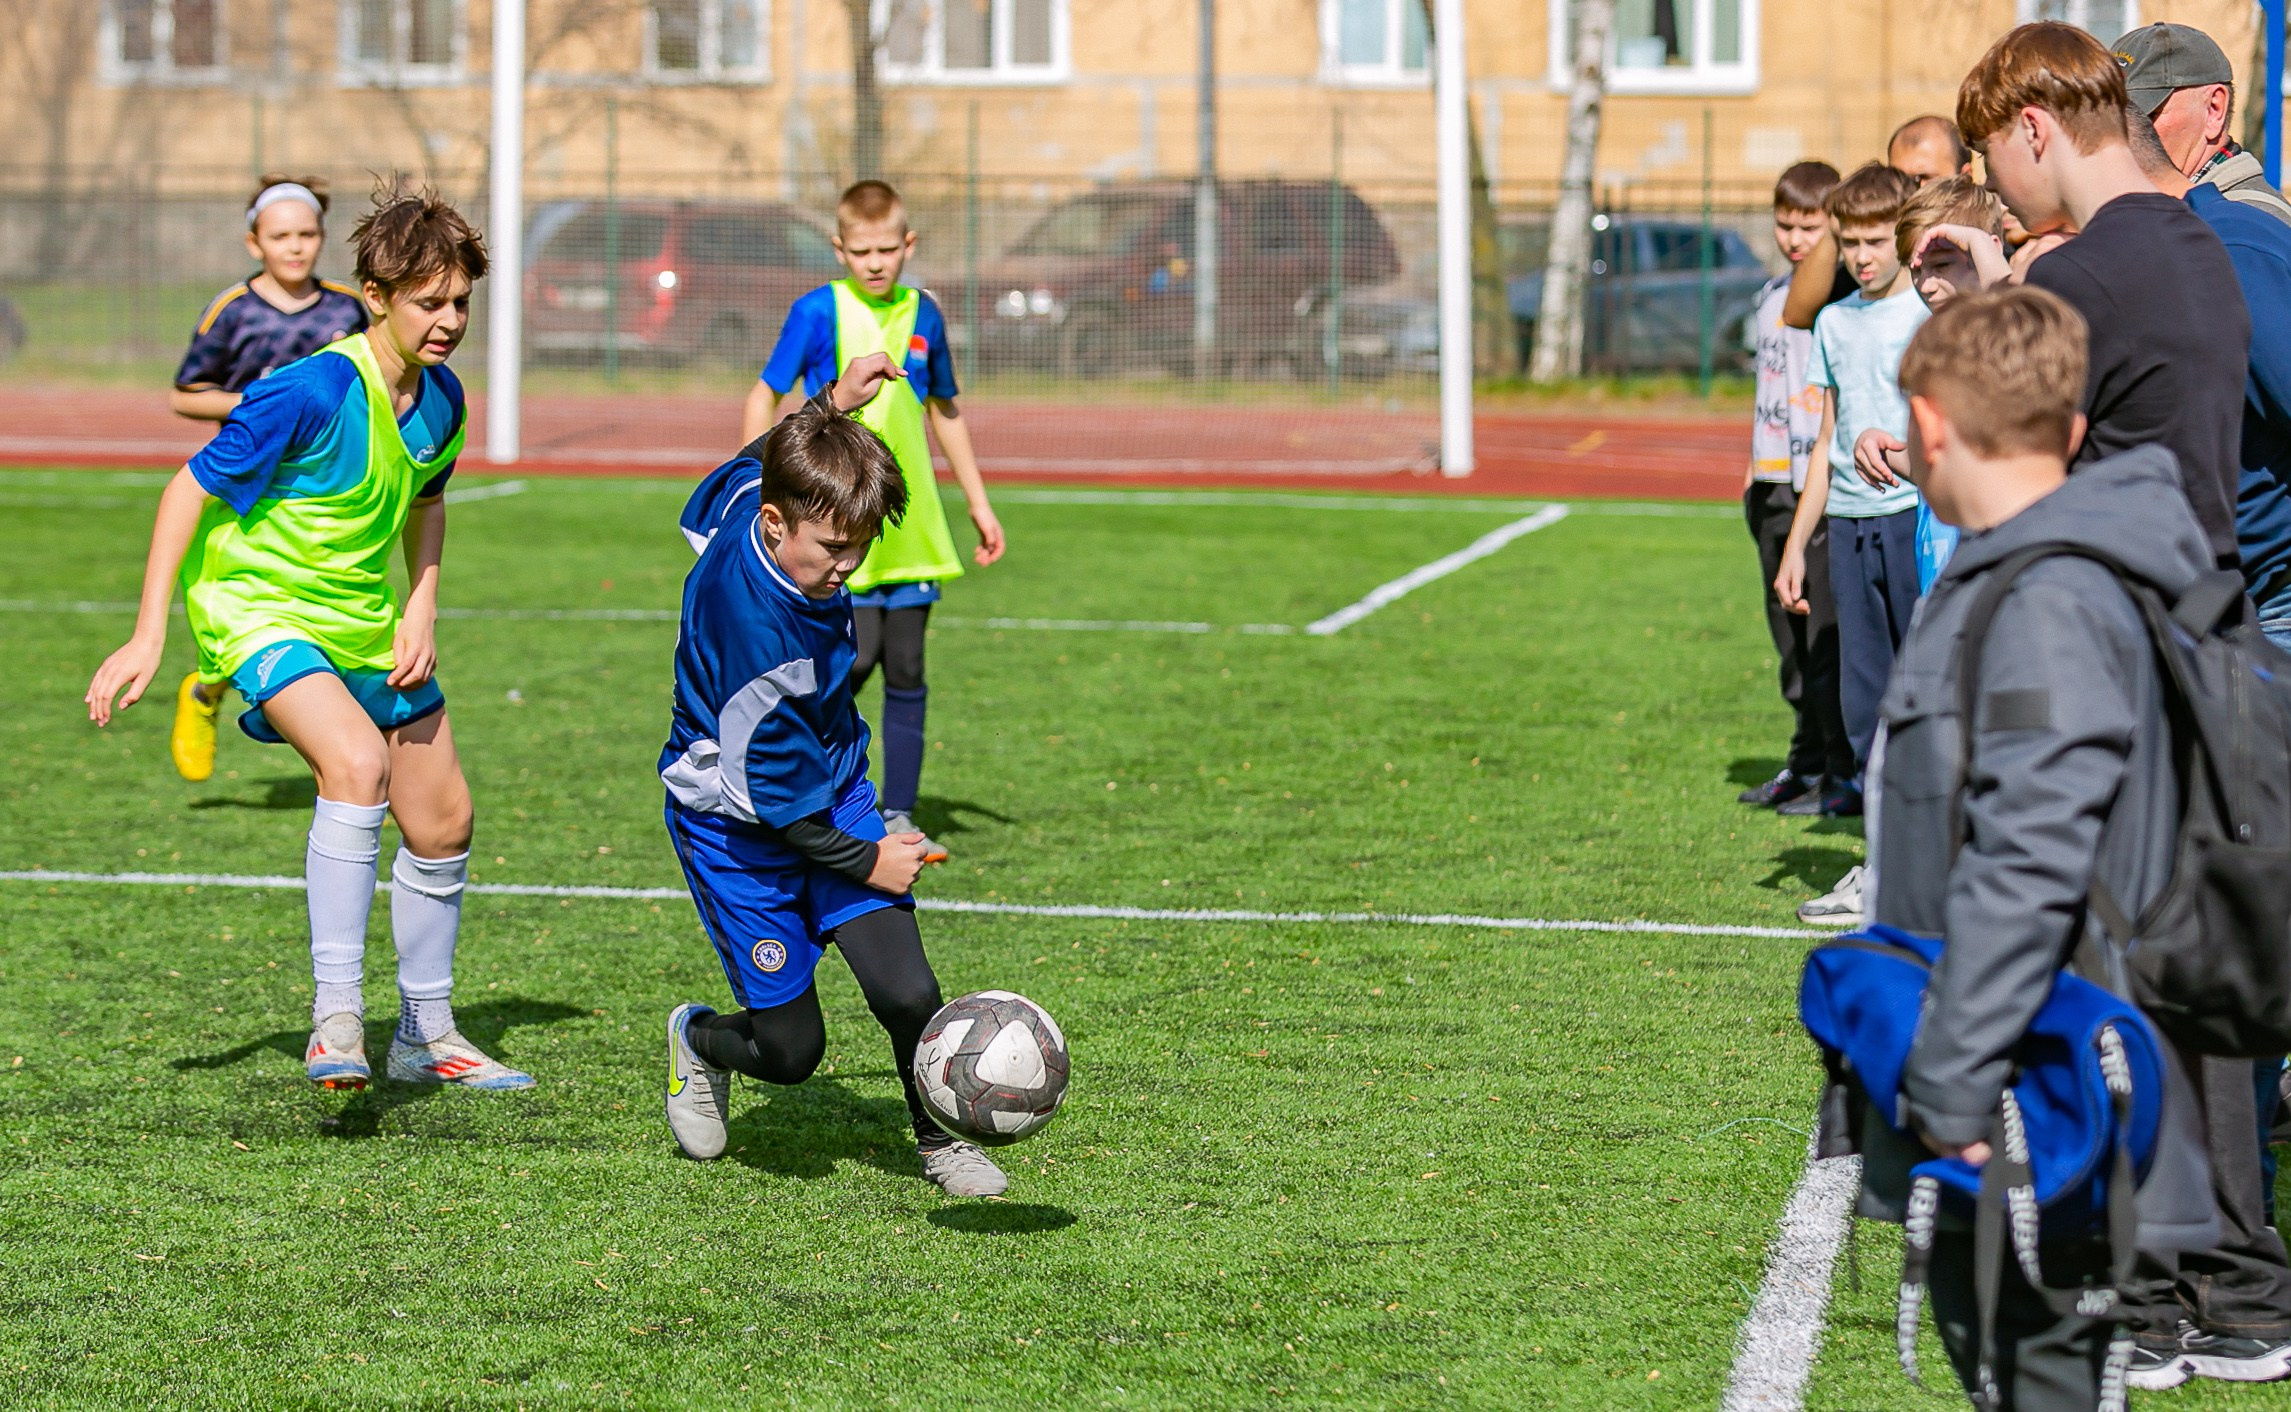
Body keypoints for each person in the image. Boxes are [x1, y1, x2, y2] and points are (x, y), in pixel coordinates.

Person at [84, 183, 533, 1093]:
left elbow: (429, 503)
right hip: (260, 607)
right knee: (356, 766)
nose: (449, 322)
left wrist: (422, 604)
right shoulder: (313, 387)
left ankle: (425, 1032)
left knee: (444, 821)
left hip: (361, 614)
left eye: (460, 304)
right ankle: (336, 1019)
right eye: (429, 302)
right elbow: (187, 489)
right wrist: (147, 634)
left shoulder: (443, 400)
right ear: (375, 294)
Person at [1862, 284, 2221, 1411]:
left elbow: (2029, 858)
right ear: (2067, 429)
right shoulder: (2026, 566)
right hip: (2036, 1070)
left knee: (2041, 1382)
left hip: (2043, 1088)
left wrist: (1954, 1087)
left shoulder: (2046, 592)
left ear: (1927, 422)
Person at [660, 386, 1011, 1200]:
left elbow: (757, 461)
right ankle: (700, 1040)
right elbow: (771, 807)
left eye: (859, 546)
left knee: (908, 992)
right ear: (780, 526)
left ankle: (939, 1141)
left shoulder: (754, 502)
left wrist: (825, 410)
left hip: (830, 785)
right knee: (792, 1054)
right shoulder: (759, 643)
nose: (847, 566)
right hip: (737, 831)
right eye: (834, 548)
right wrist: (873, 863)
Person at [2118, 102, 2291, 1391]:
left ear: (2202, 115)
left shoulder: (2231, 241)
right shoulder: (2179, 238)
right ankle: (2206, 1276)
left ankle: (2223, 1274)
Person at [739, 180, 1006, 864]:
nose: (876, 261)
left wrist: (977, 502)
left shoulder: (926, 315)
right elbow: (765, 392)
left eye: (888, 248)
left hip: (908, 526)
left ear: (908, 245)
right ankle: (806, 793)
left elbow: (945, 409)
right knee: (845, 664)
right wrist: (751, 477)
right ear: (839, 248)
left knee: (907, 667)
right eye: (861, 250)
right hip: (837, 527)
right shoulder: (817, 310)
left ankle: (900, 816)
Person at [1945, 20, 2250, 570]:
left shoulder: (2071, 277)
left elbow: (2007, 483)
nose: (1988, 182)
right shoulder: (2203, 240)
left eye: (1990, 154)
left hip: (2105, 609)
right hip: (2200, 595)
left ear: (2033, 130)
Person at [167, 175, 368, 786]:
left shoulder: (346, 307)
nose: (295, 247)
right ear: (254, 243)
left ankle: (295, 712)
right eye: (280, 236)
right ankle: (205, 691)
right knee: (248, 610)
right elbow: (185, 395)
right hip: (252, 484)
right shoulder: (233, 311)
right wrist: (260, 404)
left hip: (331, 483)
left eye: (307, 234)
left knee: (329, 606)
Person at [1773, 161, 1925, 851]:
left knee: (1922, 689)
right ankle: (1879, 859)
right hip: (1847, 524)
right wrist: (1795, 545)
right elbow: (1826, 440)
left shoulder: (1929, 308)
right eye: (1850, 243)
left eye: (1874, 241)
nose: (1861, 258)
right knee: (1862, 699)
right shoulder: (1832, 322)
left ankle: (1931, 853)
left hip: (1914, 522)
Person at [1738, 160, 1852, 813]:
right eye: (1784, 224)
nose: (1794, 238)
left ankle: (1839, 771)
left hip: (1821, 489)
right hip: (1770, 486)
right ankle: (1802, 761)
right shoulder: (1767, 295)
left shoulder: (1834, 302)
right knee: (1786, 640)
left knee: (1823, 641)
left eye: (1808, 225)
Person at [1849, 176, 2009, 590]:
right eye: (1917, 270)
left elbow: (2012, 309)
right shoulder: (1937, 349)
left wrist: (1978, 243)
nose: (1926, 284)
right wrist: (1891, 453)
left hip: (1988, 570)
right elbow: (1946, 469)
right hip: (1937, 568)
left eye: (1941, 266)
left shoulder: (2002, 342)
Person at [1779, 115, 1972, 330]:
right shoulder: (1874, 260)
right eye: (1898, 177)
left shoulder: (1987, 249)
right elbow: (1796, 316)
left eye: (1922, 178)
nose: (1910, 191)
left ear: (1964, 177)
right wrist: (1836, 230)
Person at [2115, 21, 2291, 224]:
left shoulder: (2247, 227)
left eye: (2144, 117)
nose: (2116, 138)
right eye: (2108, 122)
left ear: (2214, 109)